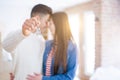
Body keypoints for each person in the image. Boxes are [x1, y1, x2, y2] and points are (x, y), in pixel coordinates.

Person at [2, 4, 52, 80]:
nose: (48, 25)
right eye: (47, 21)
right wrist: (23, 33)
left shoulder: (42, 40)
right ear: (37, 18)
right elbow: (5, 45)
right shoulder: (20, 35)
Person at [27, 12, 78, 80]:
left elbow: (69, 77)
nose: (48, 26)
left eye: (51, 23)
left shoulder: (72, 48)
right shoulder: (47, 44)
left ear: (59, 25)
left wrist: (43, 78)